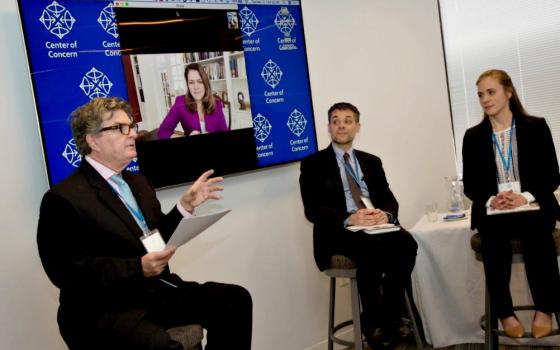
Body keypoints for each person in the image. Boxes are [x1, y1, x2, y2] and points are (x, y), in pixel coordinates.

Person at [37, 97, 252, 350]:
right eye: (120, 128)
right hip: (103, 309)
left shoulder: (139, 183)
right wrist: (137, 268)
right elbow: (68, 273)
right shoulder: (63, 198)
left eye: (132, 126)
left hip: (153, 293)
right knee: (160, 345)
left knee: (234, 300)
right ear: (92, 140)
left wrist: (185, 206)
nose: (133, 134)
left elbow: (156, 242)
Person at [299, 102, 418, 349]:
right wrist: (349, 217)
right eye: (336, 120)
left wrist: (385, 215)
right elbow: (312, 210)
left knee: (407, 243)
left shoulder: (372, 161)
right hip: (338, 231)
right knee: (370, 247)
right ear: (329, 127)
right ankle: (377, 323)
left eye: (348, 120)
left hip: (374, 226)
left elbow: (388, 198)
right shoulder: (312, 163)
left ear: (357, 126)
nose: (341, 125)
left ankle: (386, 314)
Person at [462, 69, 560, 338]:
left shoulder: (536, 127)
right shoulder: (473, 136)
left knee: (539, 235)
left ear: (508, 92)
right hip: (496, 211)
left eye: (490, 92)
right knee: (493, 240)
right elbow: (470, 185)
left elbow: (552, 175)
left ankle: (545, 308)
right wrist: (493, 199)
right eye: (480, 94)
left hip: (533, 205)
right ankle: (504, 312)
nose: (484, 99)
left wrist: (523, 196)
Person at [157, 63, 228, 139]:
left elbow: (223, 129)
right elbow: (162, 131)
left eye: (200, 81)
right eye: (191, 82)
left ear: (205, 83)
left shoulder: (216, 102)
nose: (196, 87)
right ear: (187, 85)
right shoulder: (180, 103)